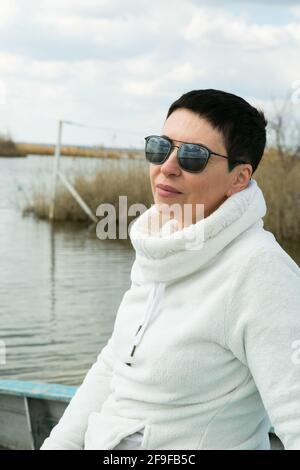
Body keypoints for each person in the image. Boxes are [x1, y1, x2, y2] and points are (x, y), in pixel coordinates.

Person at [40, 89, 300, 450]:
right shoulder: (160, 246)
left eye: (193, 156)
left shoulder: (260, 270)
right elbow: (114, 365)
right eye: (160, 148)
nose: (167, 166)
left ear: (238, 178)